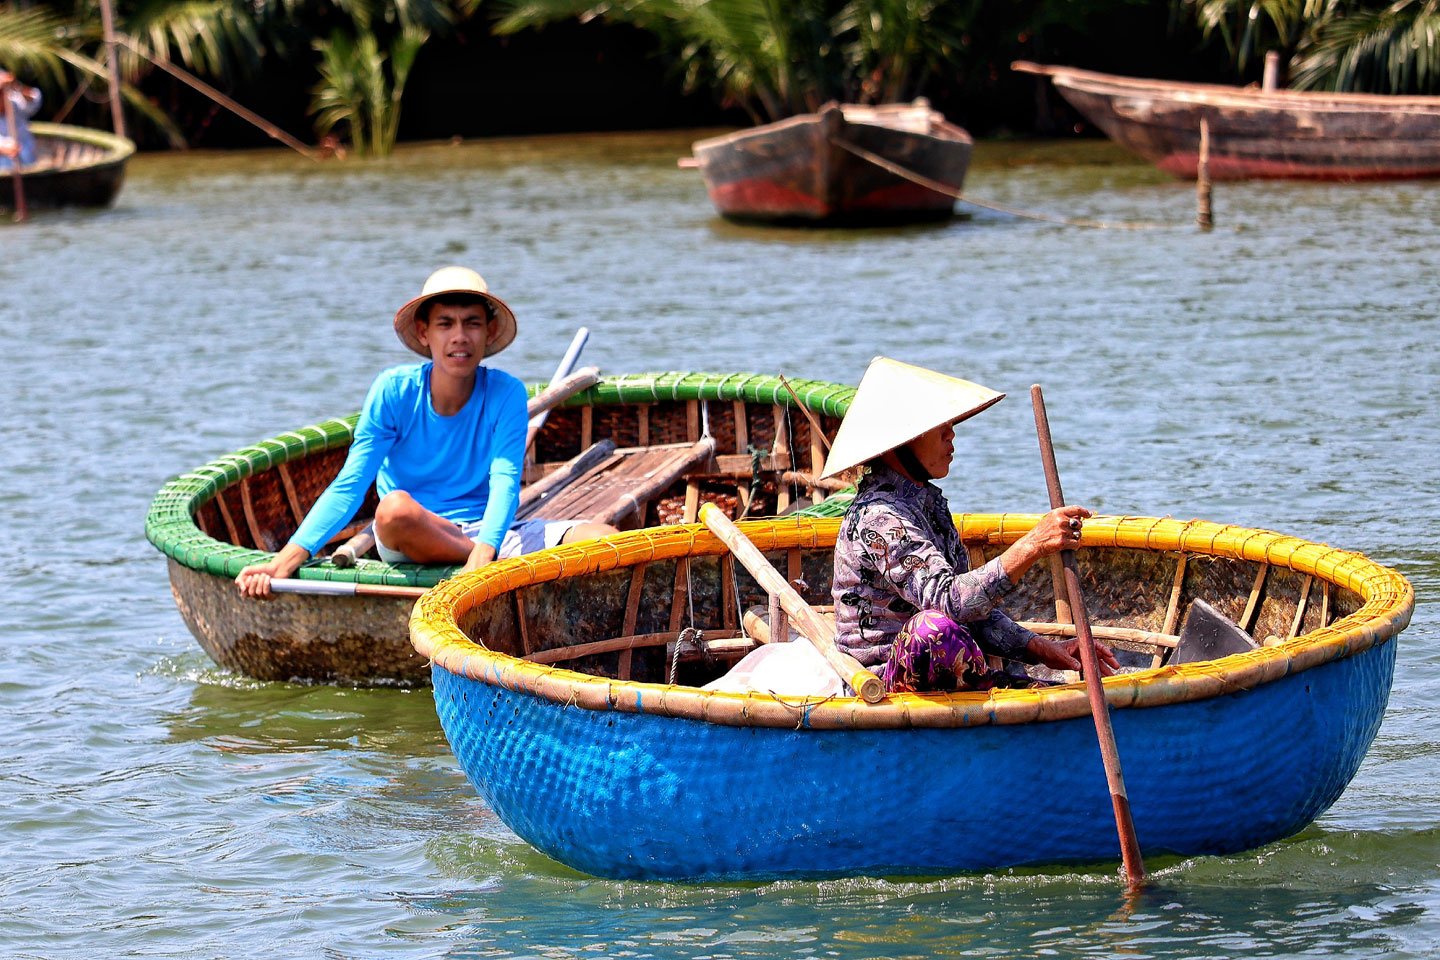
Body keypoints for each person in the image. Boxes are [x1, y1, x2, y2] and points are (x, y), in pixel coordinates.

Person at [237, 266, 617, 597]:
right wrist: (287, 558)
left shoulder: (507, 393)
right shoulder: (393, 391)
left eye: (472, 323)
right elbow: (351, 484)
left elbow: (505, 482)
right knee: (393, 510)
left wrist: (485, 551)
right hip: (409, 535)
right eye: (445, 324)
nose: (459, 337)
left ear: (489, 331)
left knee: (606, 538)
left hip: (487, 534)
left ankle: (484, 554)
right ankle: (486, 555)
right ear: (424, 333)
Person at [820, 357, 1118, 693]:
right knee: (932, 630)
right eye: (938, 427)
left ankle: (1019, 688)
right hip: (880, 686)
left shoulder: (927, 505)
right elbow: (949, 602)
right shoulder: (879, 518)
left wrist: (1047, 651)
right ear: (899, 445)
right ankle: (1010, 689)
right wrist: (1035, 543)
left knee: (947, 628)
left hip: (944, 671)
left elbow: (973, 613)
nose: (951, 434)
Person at [0, 71, 42, 171]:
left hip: (27, 163)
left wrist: (16, 85)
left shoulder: (15, 102)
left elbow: (35, 100)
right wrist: (4, 149)